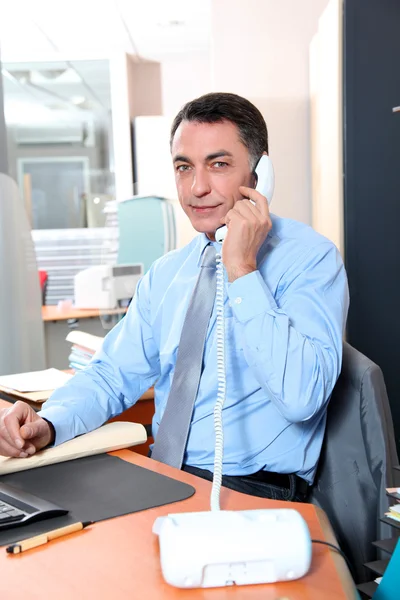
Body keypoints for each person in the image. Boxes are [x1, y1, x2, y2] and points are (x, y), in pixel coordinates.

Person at [0, 93, 349, 502]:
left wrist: (242, 270)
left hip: (253, 492)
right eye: (184, 168)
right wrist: (49, 424)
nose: (197, 188)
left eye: (218, 165)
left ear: (259, 174)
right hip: (162, 476)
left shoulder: (310, 259)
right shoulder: (168, 272)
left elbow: (301, 397)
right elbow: (113, 374)